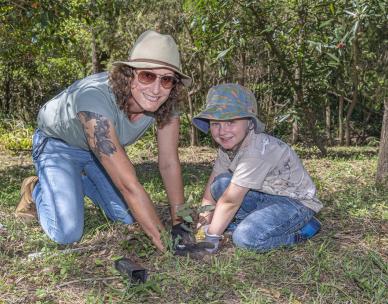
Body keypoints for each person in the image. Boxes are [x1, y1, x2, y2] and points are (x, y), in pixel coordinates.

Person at [15, 30, 193, 251]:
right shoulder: (94, 97)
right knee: (67, 232)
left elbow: (169, 163)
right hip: (58, 145)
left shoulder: (166, 104)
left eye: (166, 79)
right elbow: (128, 185)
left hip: (99, 154)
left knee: (127, 218)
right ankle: (36, 188)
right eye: (147, 76)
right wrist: (165, 242)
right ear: (129, 74)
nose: (157, 89)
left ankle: (74, 181)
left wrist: (180, 223)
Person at [192, 83, 322, 253]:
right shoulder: (227, 148)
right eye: (216, 124)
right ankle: (239, 223)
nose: (222, 131)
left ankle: (302, 231)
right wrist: (203, 225)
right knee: (220, 184)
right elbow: (210, 194)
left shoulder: (257, 150)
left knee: (245, 238)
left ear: (250, 123)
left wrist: (210, 239)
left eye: (231, 122)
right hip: (265, 195)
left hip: (294, 204)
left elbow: (230, 201)